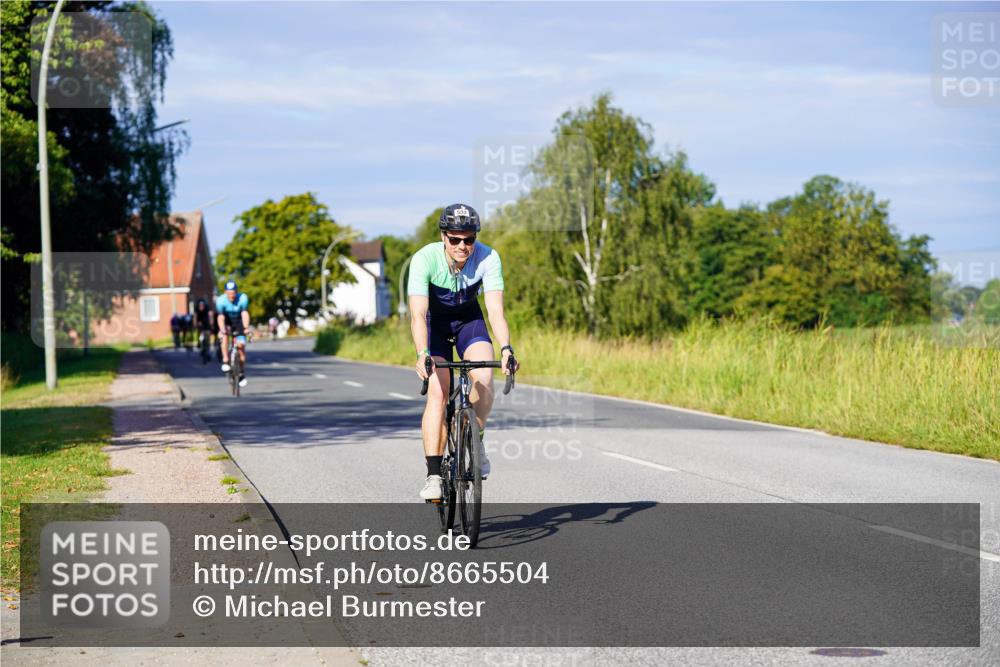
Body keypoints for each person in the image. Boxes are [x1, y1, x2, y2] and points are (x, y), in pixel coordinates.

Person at [408, 203, 519, 501]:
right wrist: (422, 353)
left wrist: (506, 348)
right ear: (443, 236)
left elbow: (495, 311)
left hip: (469, 322)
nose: (462, 246)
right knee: (438, 392)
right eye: (455, 239)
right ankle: (434, 474)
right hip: (434, 325)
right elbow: (418, 314)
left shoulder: (488, 257)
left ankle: (476, 442)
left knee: (484, 377)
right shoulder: (424, 259)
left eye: (468, 239)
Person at [216, 280, 251, 387]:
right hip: (227, 322)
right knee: (225, 336)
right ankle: (226, 360)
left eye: (233, 293)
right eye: (229, 293)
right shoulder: (221, 301)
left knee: (241, 347)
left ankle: (241, 373)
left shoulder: (242, 298)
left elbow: (244, 313)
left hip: (239, 322)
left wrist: (246, 328)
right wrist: (222, 329)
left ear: (237, 292)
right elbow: (221, 317)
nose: (231, 296)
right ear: (225, 292)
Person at [194, 298, 214, 363]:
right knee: (200, 334)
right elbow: (195, 317)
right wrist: (195, 324)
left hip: (207, 325)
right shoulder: (196, 309)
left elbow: (211, 316)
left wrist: (211, 324)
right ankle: (199, 342)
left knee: (207, 339)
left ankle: (207, 351)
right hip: (200, 325)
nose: (201, 307)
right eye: (200, 306)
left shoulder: (208, 308)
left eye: (202, 306)